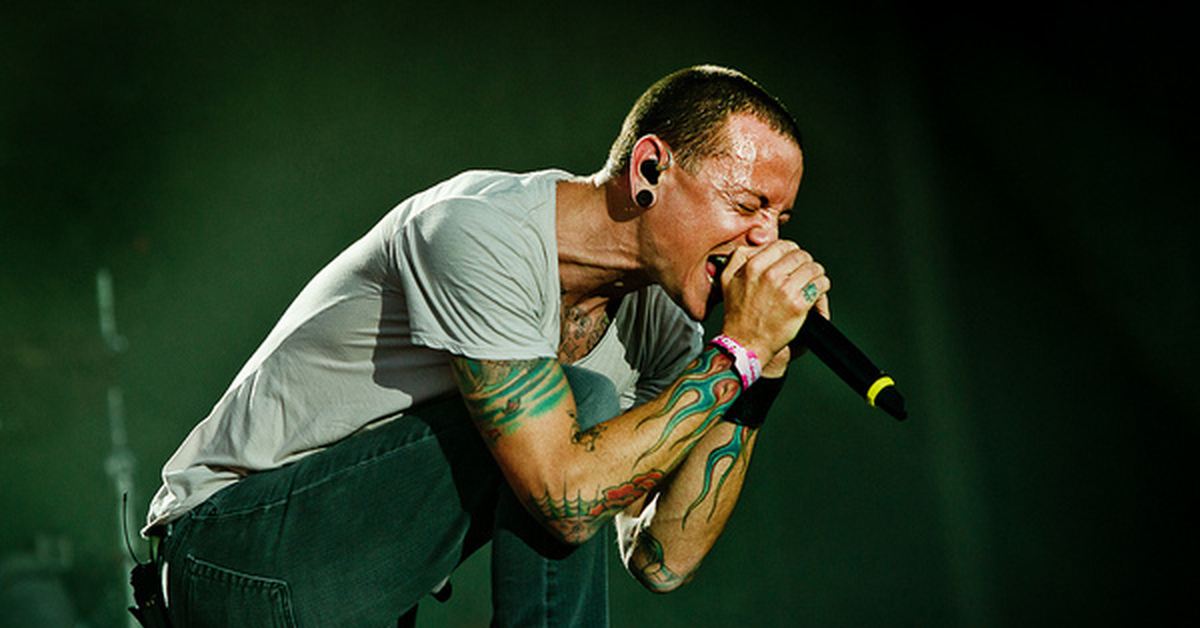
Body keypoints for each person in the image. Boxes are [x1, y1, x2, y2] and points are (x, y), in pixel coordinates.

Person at [139, 64, 829, 627]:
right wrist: (735, 353)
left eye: (780, 217)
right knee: (581, 402)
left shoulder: (664, 320)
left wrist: (758, 374)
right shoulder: (478, 231)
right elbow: (567, 499)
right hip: (232, 555)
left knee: (581, 425)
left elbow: (661, 559)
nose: (766, 240)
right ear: (650, 168)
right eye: (747, 206)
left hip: (366, 595)